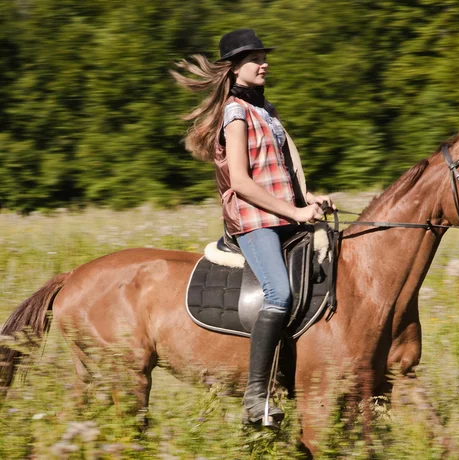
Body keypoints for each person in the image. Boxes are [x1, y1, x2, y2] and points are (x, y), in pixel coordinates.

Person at [171, 28, 334, 426]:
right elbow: (242, 181)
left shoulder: (266, 109)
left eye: (264, 56)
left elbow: (284, 166)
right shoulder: (235, 112)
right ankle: (256, 397)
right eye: (255, 58)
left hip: (282, 212)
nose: (264, 63)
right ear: (234, 68)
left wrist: (307, 198)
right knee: (278, 291)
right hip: (254, 219)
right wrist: (294, 214)